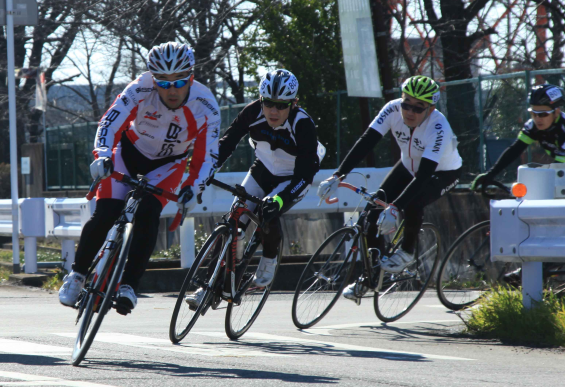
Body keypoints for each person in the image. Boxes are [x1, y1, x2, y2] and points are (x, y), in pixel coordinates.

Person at [57, 42, 221, 314]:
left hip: (169, 164)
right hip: (128, 153)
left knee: (148, 213)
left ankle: (129, 285)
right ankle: (77, 275)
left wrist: (194, 186)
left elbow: (208, 156)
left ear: (191, 77)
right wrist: (102, 154)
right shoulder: (140, 88)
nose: (172, 89)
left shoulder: (206, 106)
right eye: (163, 82)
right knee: (107, 211)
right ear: (152, 78)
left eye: (179, 81)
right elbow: (110, 121)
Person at [316, 75, 462, 301]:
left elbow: (423, 176)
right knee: (369, 215)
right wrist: (338, 175)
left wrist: (395, 208)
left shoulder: (439, 126)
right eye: (406, 104)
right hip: (407, 165)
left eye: (418, 107)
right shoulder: (392, 110)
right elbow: (367, 141)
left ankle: (407, 251)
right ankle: (370, 278)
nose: (410, 112)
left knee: (413, 201)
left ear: (431, 109)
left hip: (441, 173)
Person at [203, 68, 322, 298]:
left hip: (293, 177)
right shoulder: (252, 112)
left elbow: (305, 175)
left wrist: (280, 199)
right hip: (263, 169)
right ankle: (210, 286)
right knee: (234, 219)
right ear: (261, 100)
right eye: (268, 103)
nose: (273, 111)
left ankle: (268, 259)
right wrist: (207, 170)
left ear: (294, 103)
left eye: (281, 105)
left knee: (269, 210)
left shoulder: (303, 124)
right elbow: (228, 142)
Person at [470, 84, 565, 191]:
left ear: (556, 111)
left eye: (543, 114)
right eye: (533, 113)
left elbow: (558, 167)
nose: (537, 119)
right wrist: (491, 174)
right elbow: (515, 150)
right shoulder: (533, 126)